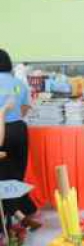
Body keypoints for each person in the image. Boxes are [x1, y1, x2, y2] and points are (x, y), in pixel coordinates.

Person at [0, 49, 40, 230]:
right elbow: (24, 109)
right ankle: (21, 210)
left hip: (1, 131)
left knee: (2, 173)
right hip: (18, 129)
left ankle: (11, 213)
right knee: (17, 171)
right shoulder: (19, 84)